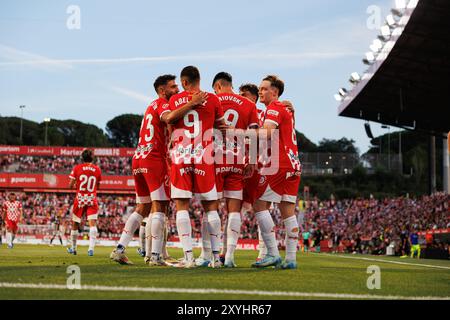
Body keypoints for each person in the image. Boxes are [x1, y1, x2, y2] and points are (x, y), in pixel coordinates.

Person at [110, 74, 202, 265]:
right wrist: (192, 104)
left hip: (138, 158)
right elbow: (169, 117)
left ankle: (120, 248)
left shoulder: (150, 105)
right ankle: (155, 256)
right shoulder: (162, 104)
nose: (177, 90)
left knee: (142, 208)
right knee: (160, 206)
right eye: (173, 87)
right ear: (162, 90)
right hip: (153, 159)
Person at [167, 65, 227, 268]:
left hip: (181, 156)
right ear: (200, 79)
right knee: (211, 208)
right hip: (204, 156)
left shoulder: (175, 100)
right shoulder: (213, 99)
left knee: (181, 205)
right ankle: (217, 259)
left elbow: (169, 119)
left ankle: (189, 258)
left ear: (184, 82)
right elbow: (223, 128)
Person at [198, 72, 258, 268]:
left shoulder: (211, 99)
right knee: (234, 211)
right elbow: (255, 134)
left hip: (213, 160)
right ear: (230, 85)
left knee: (210, 209)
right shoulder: (248, 104)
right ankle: (230, 256)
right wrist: (252, 159)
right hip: (237, 159)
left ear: (217, 86)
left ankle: (207, 254)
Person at [250, 75, 302, 269]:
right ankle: (291, 259)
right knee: (287, 211)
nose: (260, 92)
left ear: (275, 92)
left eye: (263, 89)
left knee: (258, 204)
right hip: (294, 165)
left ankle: (272, 253)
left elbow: (266, 133)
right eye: (259, 89)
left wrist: (236, 133)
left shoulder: (275, 107)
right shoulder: (285, 109)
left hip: (279, 164)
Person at [67, 149, 102, 256]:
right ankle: (91, 249)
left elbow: (70, 185)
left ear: (82, 157)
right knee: (92, 224)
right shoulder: (97, 169)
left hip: (80, 198)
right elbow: (98, 186)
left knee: (75, 224)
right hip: (91, 198)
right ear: (92, 158)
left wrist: (77, 185)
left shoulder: (77, 168)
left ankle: (73, 248)